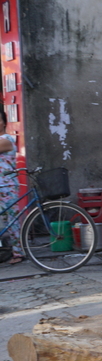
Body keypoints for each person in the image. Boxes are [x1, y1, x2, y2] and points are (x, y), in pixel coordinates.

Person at [0, 108, 24, 264]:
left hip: (7, 186)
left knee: (12, 220)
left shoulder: (7, 139)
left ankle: (18, 253)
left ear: (3, 122)